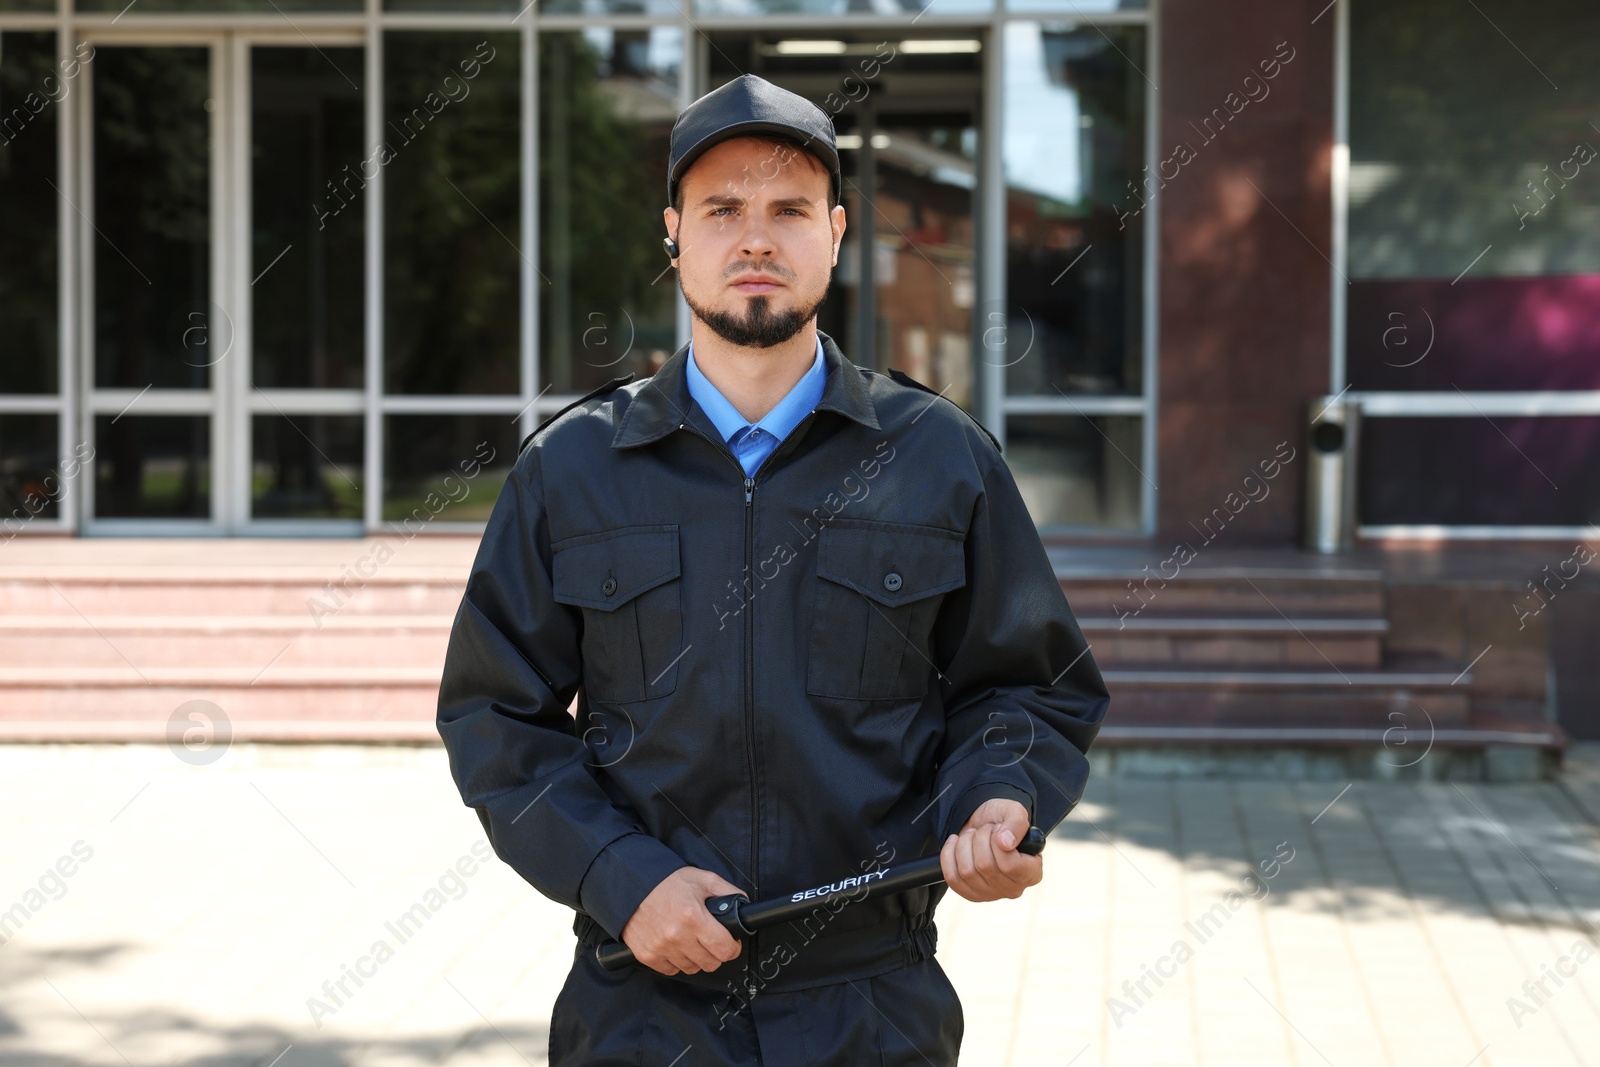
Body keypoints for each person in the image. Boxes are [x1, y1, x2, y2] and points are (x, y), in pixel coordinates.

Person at [435, 73, 1110, 1066]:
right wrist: (618, 873)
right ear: (674, 235)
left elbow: (1026, 684)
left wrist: (998, 794)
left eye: (789, 209)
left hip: (871, 1004)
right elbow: (496, 717)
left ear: (835, 233)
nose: (756, 238)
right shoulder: (570, 469)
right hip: (640, 998)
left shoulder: (937, 456)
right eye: (722, 210)